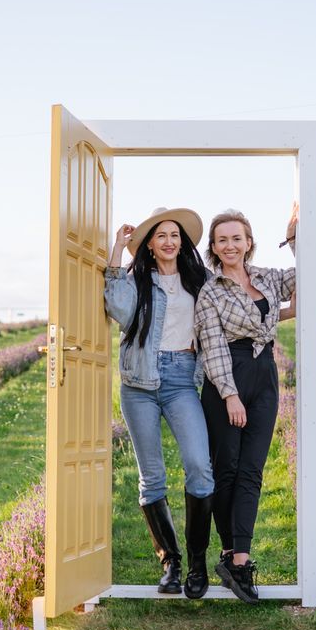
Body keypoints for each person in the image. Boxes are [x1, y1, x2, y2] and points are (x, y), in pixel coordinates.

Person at [104, 207, 215, 598]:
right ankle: (171, 561)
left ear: (182, 242)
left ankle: (198, 566)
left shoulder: (201, 280)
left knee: (200, 467)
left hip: (182, 378)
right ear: (149, 244)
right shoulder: (137, 281)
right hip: (139, 382)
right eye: (161, 235)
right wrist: (117, 249)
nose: (169, 241)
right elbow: (117, 310)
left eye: (175, 235)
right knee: (151, 476)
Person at [194, 205, 298, 604]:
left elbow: (307, 278)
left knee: (252, 470)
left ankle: (240, 560)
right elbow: (213, 347)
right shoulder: (210, 291)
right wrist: (230, 394)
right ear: (215, 248)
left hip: (265, 375)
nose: (231, 245)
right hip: (229, 378)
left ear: (249, 242)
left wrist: (295, 240)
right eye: (223, 240)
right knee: (228, 469)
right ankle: (228, 553)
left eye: (237, 238)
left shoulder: (268, 278)